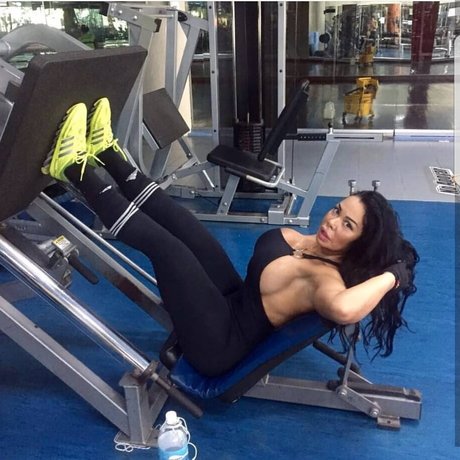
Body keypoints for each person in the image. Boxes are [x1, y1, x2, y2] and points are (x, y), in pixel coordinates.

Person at [41, 99, 419, 377]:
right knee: (185, 225)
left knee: (169, 250)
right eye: (337, 210)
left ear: (358, 243)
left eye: (347, 225)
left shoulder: (325, 279)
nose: (332, 222)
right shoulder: (315, 244)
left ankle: (72, 168)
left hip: (219, 344)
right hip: (234, 300)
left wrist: (393, 275)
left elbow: (344, 310)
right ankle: (108, 154)